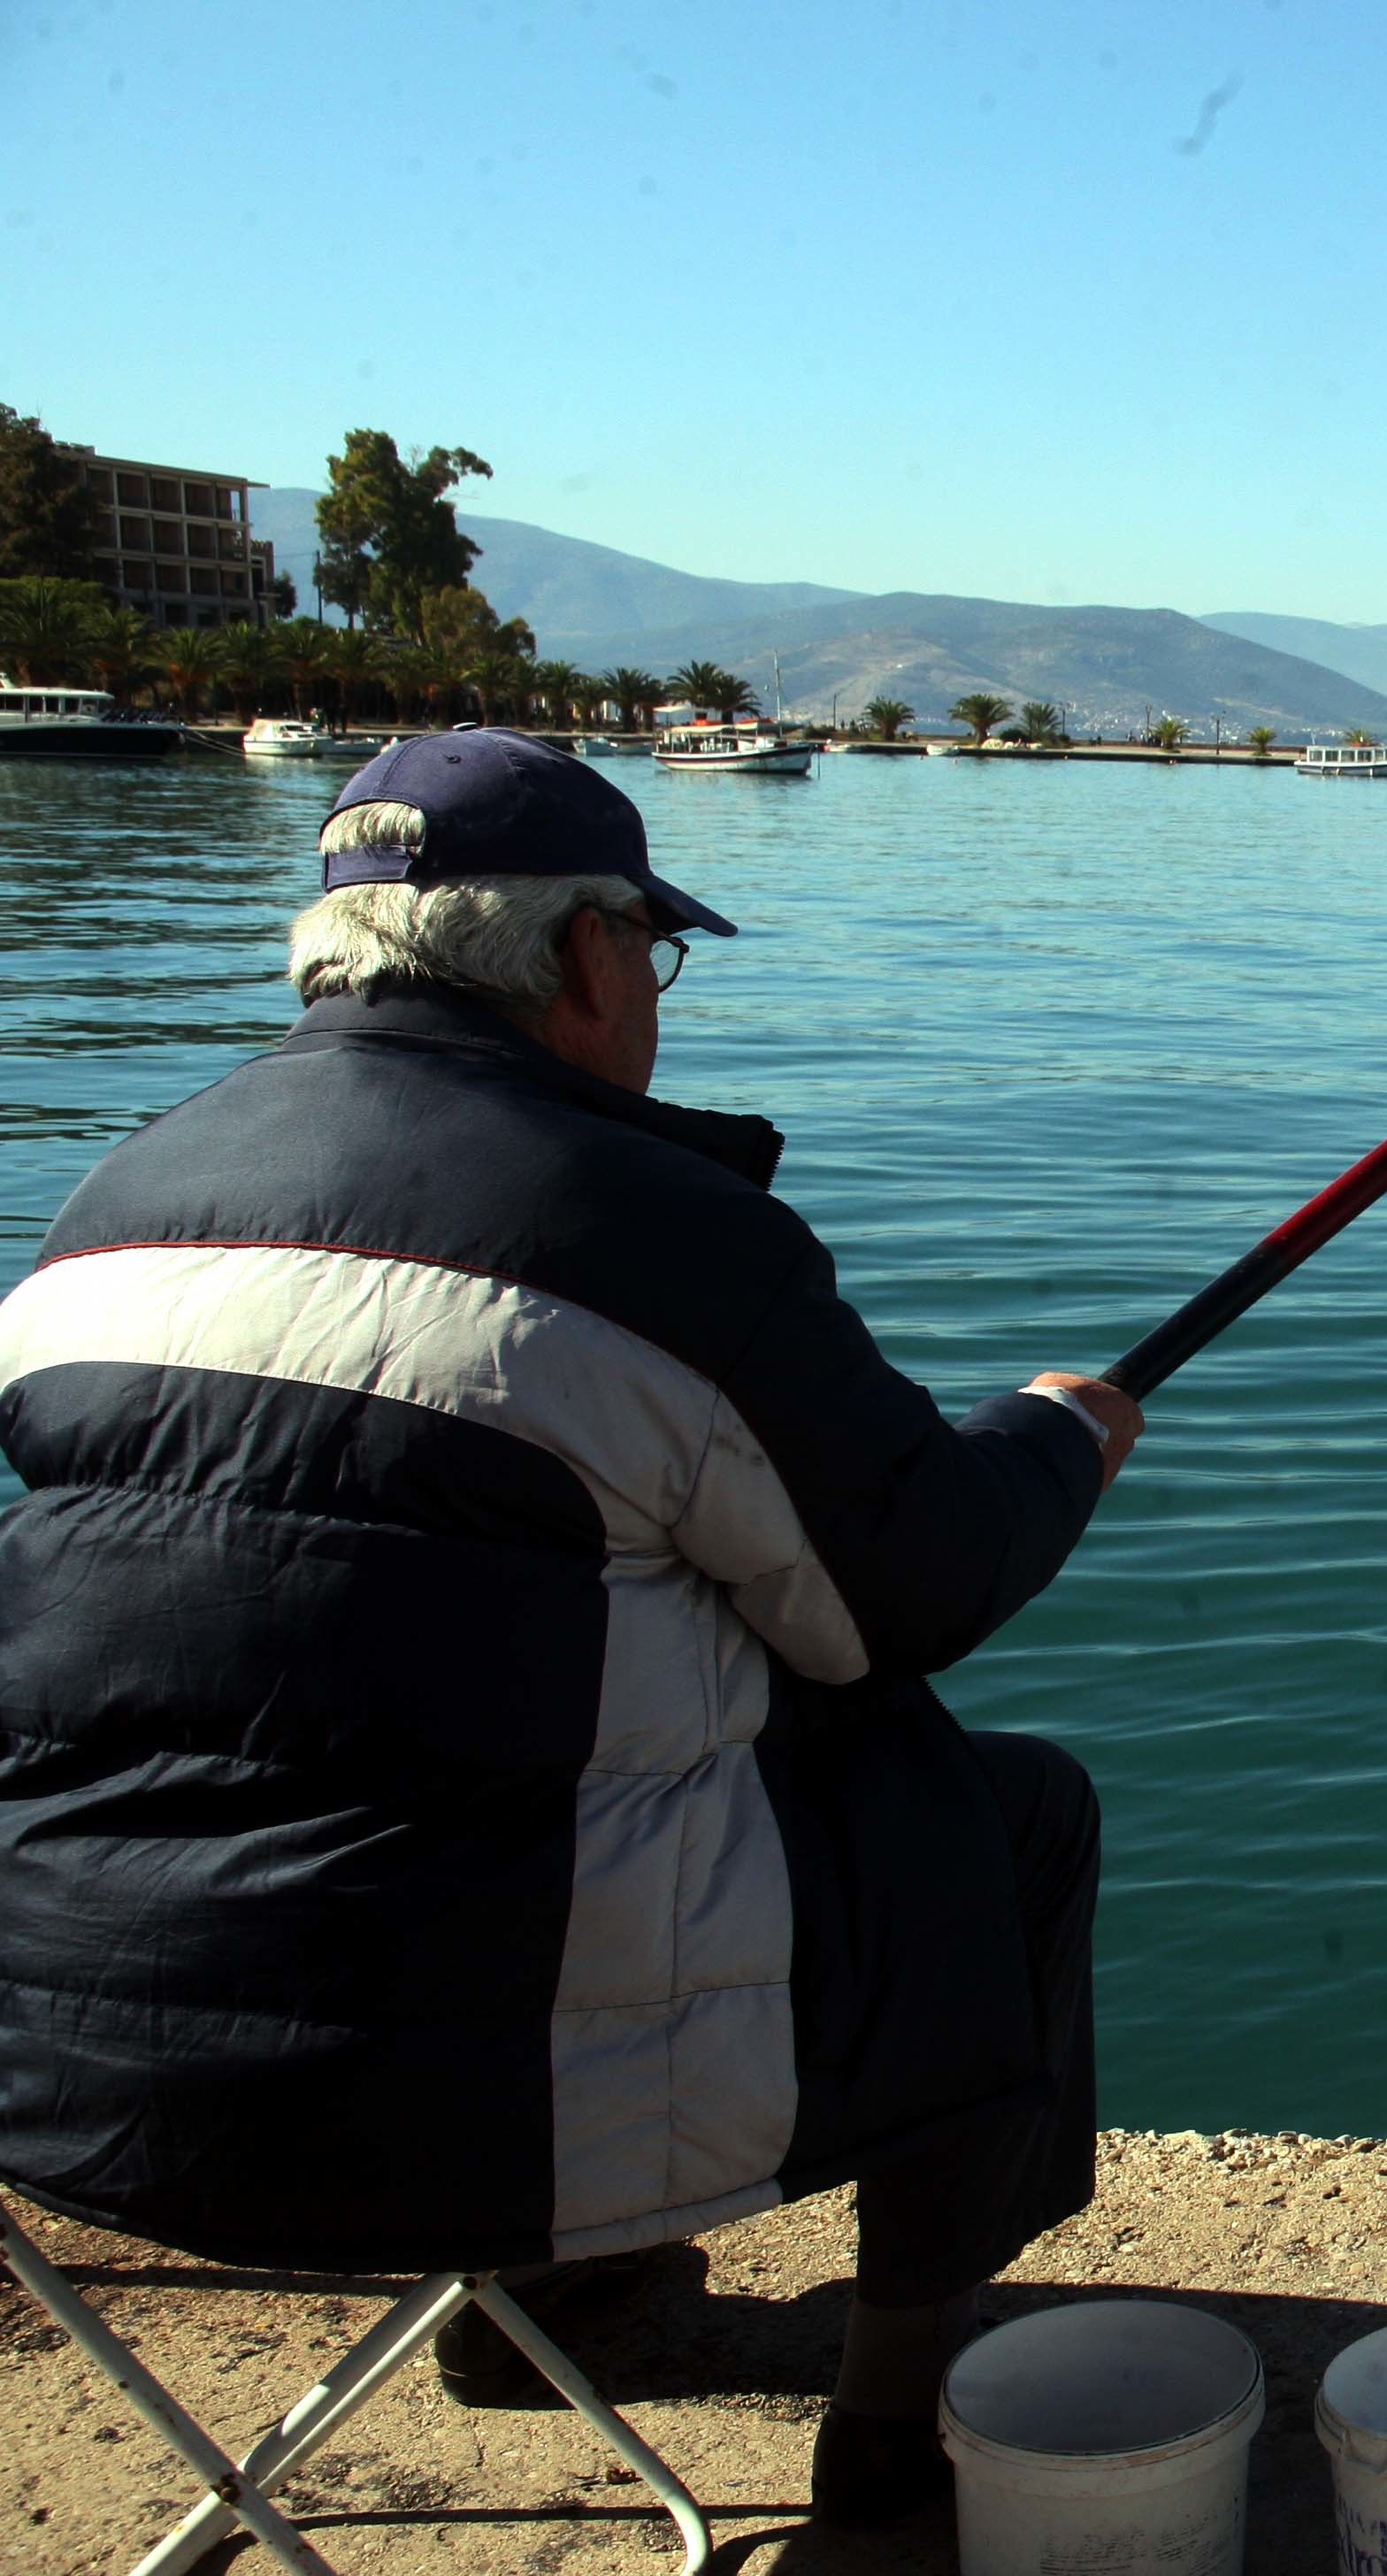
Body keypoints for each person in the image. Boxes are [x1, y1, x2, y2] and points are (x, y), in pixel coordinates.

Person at [0, 727, 1140, 2526]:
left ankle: (562, 2302)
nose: (658, 998)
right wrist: (1059, 1436)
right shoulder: (652, 1230)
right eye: (654, 954)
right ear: (584, 955)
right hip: (470, 2103)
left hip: (65, 2074)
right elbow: (908, 1596)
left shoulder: (96, 1216)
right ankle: (886, 2443)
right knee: (1004, 1816)